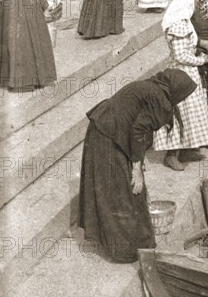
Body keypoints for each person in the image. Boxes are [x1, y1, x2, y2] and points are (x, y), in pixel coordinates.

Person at [78, 69, 196, 263]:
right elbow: (138, 131)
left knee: (117, 188)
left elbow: (137, 126)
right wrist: (136, 167)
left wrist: (138, 159)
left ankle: (117, 239)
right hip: (107, 136)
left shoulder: (153, 88)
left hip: (105, 128)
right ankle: (123, 249)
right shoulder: (160, 100)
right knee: (120, 192)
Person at [153, 0, 208, 170]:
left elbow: (191, 44)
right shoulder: (178, 25)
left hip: (190, 74)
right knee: (179, 114)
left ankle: (188, 149)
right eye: (195, 3)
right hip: (180, 75)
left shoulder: (184, 21)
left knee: (192, 114)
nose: (197, 6)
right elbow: (180, 55)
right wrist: (201, 60)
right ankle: (171, 155)